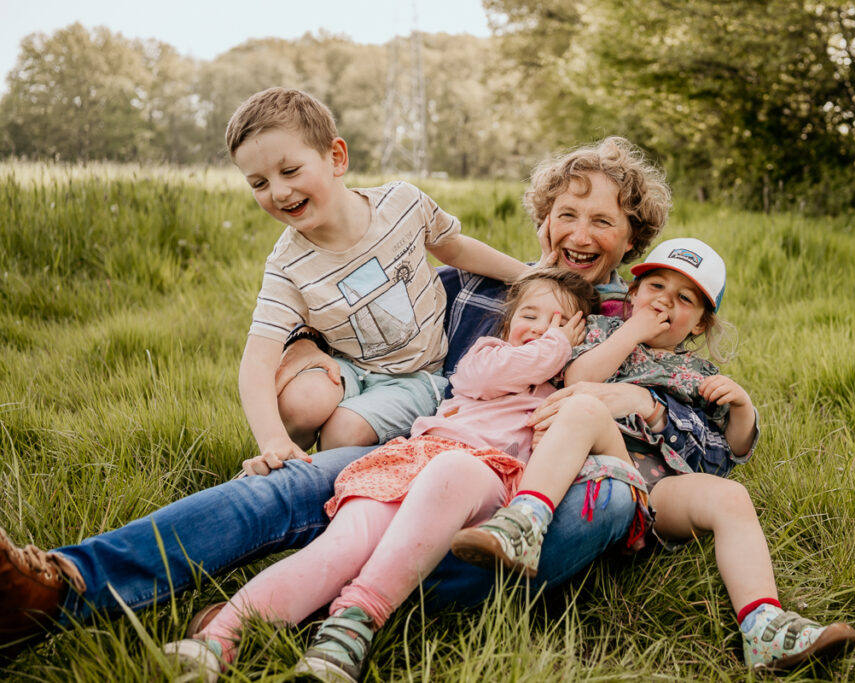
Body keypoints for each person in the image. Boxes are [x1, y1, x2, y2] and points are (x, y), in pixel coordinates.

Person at [0, 137, 693, 662]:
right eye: (566, 213)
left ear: (633, 239)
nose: (579, 234)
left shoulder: (653, 325)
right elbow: (361, 331)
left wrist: (640, 405)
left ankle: (292, 605)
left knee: (601, 505)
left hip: (529, 501)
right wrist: (306, 353)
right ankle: (63, 585)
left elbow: (691, 452)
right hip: (420, 452)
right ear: (543, 220)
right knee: (282, 487)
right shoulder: (478, 290)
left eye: (602, 221)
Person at [161, 268, 597, 682]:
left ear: (580, 340)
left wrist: (570, 356)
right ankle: (217, 641)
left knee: (455, 469)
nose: (544, 329)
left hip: (482, 477)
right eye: (530, 316)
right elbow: (507, 371)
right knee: (343, 545)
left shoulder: (563, 398)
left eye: (561, 323)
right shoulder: (487, 356)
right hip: (412, 459)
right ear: (507, 324)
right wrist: (557, 343)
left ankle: (350, 627)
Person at [452, 238, 855, 670]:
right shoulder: (598, 332)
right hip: (588, 473)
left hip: (654, 493)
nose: (664, 301)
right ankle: (523, 525)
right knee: (586, 407)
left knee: (731, 497)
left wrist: (740, 407)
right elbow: (576, 378)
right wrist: (632, 332)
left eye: (684, 299)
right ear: (632, 295)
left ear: (700, 324)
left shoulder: (698, 375)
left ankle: (763, 626)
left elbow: (723, 456)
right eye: (656, 287)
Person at [227, 87, 527, 468]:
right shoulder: (288, 265)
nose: (280, 192)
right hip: (347, 368)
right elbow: (257, 360)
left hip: (416, 376)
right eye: (259, 183)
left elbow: (455, 249)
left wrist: (529, 274)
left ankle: (342, 470)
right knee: (301, 403)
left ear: (336, 157)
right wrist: (271, 438)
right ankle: (283, 463)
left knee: (341, 434)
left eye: (290, 171)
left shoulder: (401, 205)